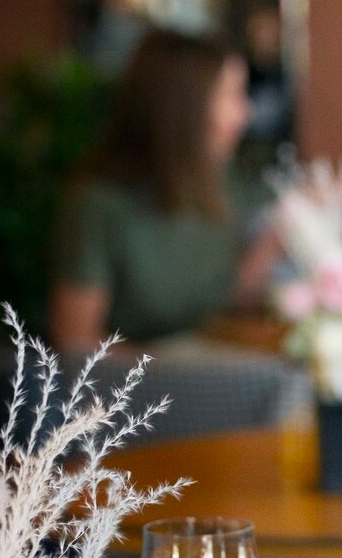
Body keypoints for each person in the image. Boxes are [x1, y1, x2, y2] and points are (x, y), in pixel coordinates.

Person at [50, 28, 279, 349]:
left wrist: (278, 239)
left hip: (216, 381)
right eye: (233, 94)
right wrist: (182, 374)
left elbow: (224, 299)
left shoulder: (221, 184)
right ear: (185, 108)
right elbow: (76, 343)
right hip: (140, 392)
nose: (246, 112)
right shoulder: (100, 203)